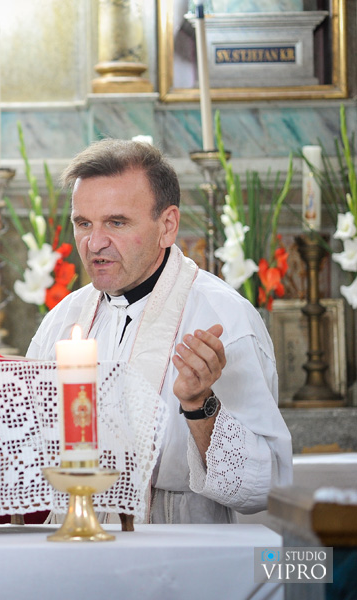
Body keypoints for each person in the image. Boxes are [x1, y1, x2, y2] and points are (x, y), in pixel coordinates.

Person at [27, 139, 292, 524]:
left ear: (167, 226)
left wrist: (200, 405)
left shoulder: (222, 318)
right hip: (74, 539)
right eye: (83, 223)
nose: (94, 243)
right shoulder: (62, 320)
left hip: (178, 541)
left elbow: (265, 486)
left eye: (116, 223)